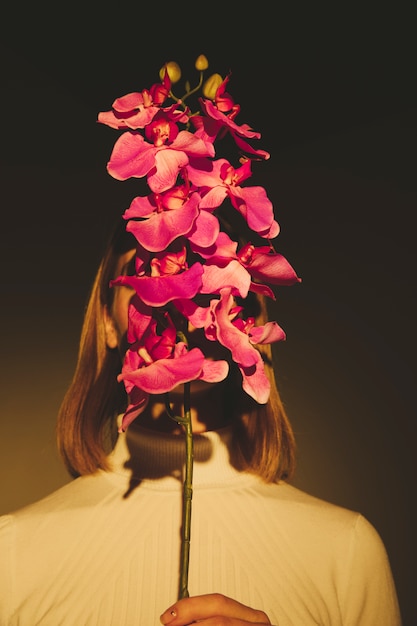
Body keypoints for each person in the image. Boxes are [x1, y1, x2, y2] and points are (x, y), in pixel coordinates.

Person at [0, 218, 402, 626]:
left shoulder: (345, 551)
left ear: (249, 318)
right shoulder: (13, 553)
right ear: (107, 322)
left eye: (209, 275)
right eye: (152, 270)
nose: (186, 298)